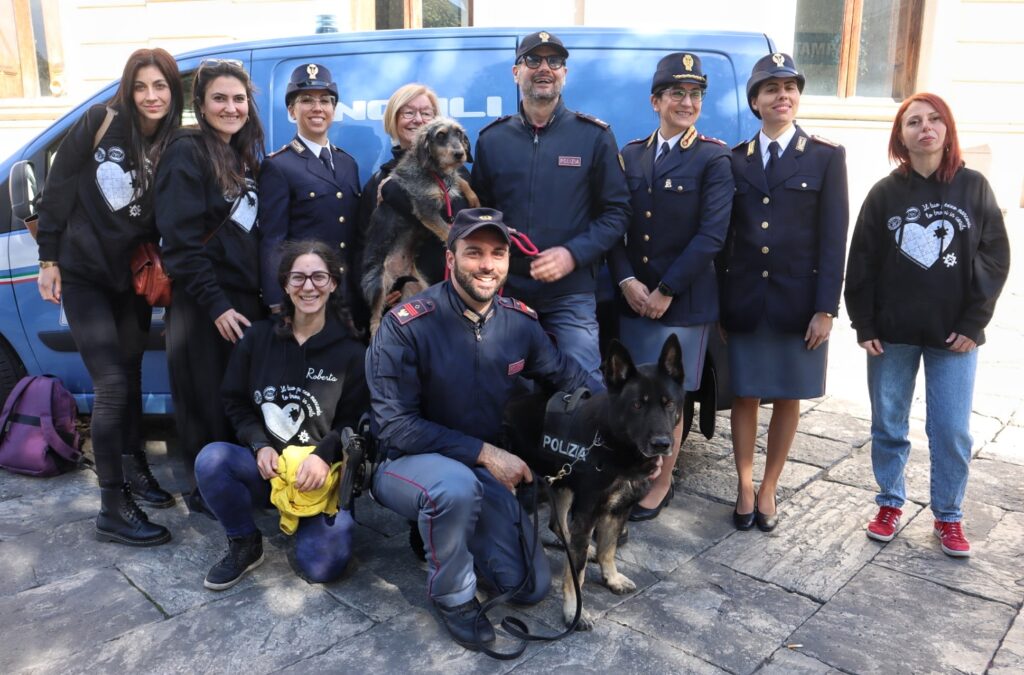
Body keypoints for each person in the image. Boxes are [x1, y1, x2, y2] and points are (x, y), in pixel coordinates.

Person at [367, 207, 599, 650]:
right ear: (450, 259)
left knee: (528, 588)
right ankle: (451, 596)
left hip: (476, 468)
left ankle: (442, 531)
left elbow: (569, 376)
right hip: (406, 463)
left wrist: (622, 415)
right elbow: (394, 427)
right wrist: (488, 454)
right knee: (452, 489)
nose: (487, 265)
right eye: (474, 252)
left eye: (498, 253)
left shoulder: (519, 322)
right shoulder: (407, 325)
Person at [844, 93, 1010, 557]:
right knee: (889, 425)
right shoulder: (884, 194)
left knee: (952, 430)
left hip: (953, 337)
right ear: (901, 135)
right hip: (891, 335)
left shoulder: (973, 187)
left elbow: (994, 257)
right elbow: (861, 262)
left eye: (935, 119)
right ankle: (890, 503)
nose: (925, 128)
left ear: (947, 129)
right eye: (913, 121)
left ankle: (949, 516)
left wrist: (974, 322)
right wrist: (865, 323)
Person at [35, 48, 183, 546]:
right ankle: (112, 507)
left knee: (134, 373)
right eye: (141, 86)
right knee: (113, 384)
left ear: (172, 90)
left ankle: (134, 466)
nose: (150, 96)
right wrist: (48, 258)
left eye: (159, 86)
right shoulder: (101, 122)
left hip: (131, 280)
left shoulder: (172, 141)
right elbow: (56, 187)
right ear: (128, 88)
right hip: (84, 276)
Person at [721, 53, 849, 532]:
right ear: (755, 101)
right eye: (771, 89)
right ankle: (744, 484)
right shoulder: (734, 160)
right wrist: (720, 303)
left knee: (788, 395)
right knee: (746, 394)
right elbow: (724, 238)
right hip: (746, 299)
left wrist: (825, 308)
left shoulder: (825, 156)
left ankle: (770, 486)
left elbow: (834, 239)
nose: (782, 96)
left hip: (799, 303)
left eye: (790, 87)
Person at [195, 240, 369, 589]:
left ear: (333, 283)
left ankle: (311, 519)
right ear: (285, 285)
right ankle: (245, 542)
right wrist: (259, 445)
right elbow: (235, 402)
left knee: (322, 568)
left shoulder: (352, 351)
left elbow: (357, 421)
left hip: (321, 476)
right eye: (298, 277)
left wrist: (323, 456)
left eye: (319, 277)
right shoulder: (258, 338)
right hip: (270, 469)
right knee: (211, 460)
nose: (309, 286)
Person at [609, 52, 733, 522]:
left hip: (681, 304)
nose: (687, 102)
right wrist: (626, 281)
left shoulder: (713, 157)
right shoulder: (631, 154)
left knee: (669, 397)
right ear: (655, 100)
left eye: (695, 94)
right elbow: (616, 223)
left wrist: (664, 290)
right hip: (633, 300)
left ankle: (660, 483)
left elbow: (712, 235)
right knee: (636, 395)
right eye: (676, 93)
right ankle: (634, 472)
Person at [471, 30, 631, 378]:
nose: (544, 68)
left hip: (569, 296)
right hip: (506, 291)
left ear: (564, 73)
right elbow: (479, 216)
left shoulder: (594, 136)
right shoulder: (492, 140)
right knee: (499, 387)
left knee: (583, 388)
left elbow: (617, 213)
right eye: (533, 60)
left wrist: (572, 254)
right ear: (517, 72)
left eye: (554, 61)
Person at [155, 59, 266, 514]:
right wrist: (217, 305)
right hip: (205, 307)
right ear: (200, 105)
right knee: (204, 401)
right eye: (219, 98)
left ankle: (233, 484)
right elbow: (179, 243)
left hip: (241, 302)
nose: (230, 107)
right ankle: (207, 493)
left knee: (234, 399)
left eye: (238, 98)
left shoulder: (240, 154)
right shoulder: (187, 152)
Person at [258, 63, 362, 316]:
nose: (317, 108)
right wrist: (275, 299)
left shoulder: (348, 163)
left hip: (348, 294)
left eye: (325, 101)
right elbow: (273, 240)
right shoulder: (279, 166)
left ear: (334, 110)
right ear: (292, 111)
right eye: (306, 100)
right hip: (306, 294)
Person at [359, 84, 473, 309]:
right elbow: (366, 245)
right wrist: (380, 290)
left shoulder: (457, 173)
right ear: (394, 120)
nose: (418, 119)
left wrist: (394, 192)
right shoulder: (378, 180)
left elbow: (458, 219)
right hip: (402, 305)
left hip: (450, 297)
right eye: (408, 112)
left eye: (426, 113)